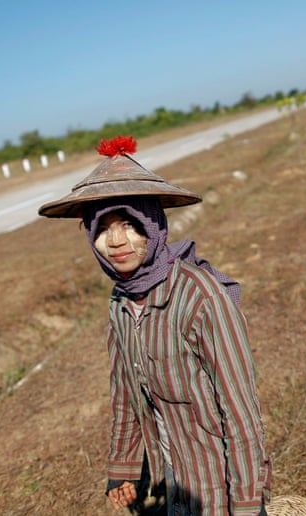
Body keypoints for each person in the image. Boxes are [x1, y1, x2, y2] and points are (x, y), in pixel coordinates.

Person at [39, 136, 271, 515]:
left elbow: (240, 410)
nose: (116, 241)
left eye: (129, 224)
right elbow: (125, 393)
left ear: (153, 225)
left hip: (217, 483)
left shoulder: (200, 297)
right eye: (102, 228)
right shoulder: (120, 302)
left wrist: (248, 501)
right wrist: (124, 470)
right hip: (170, 476)